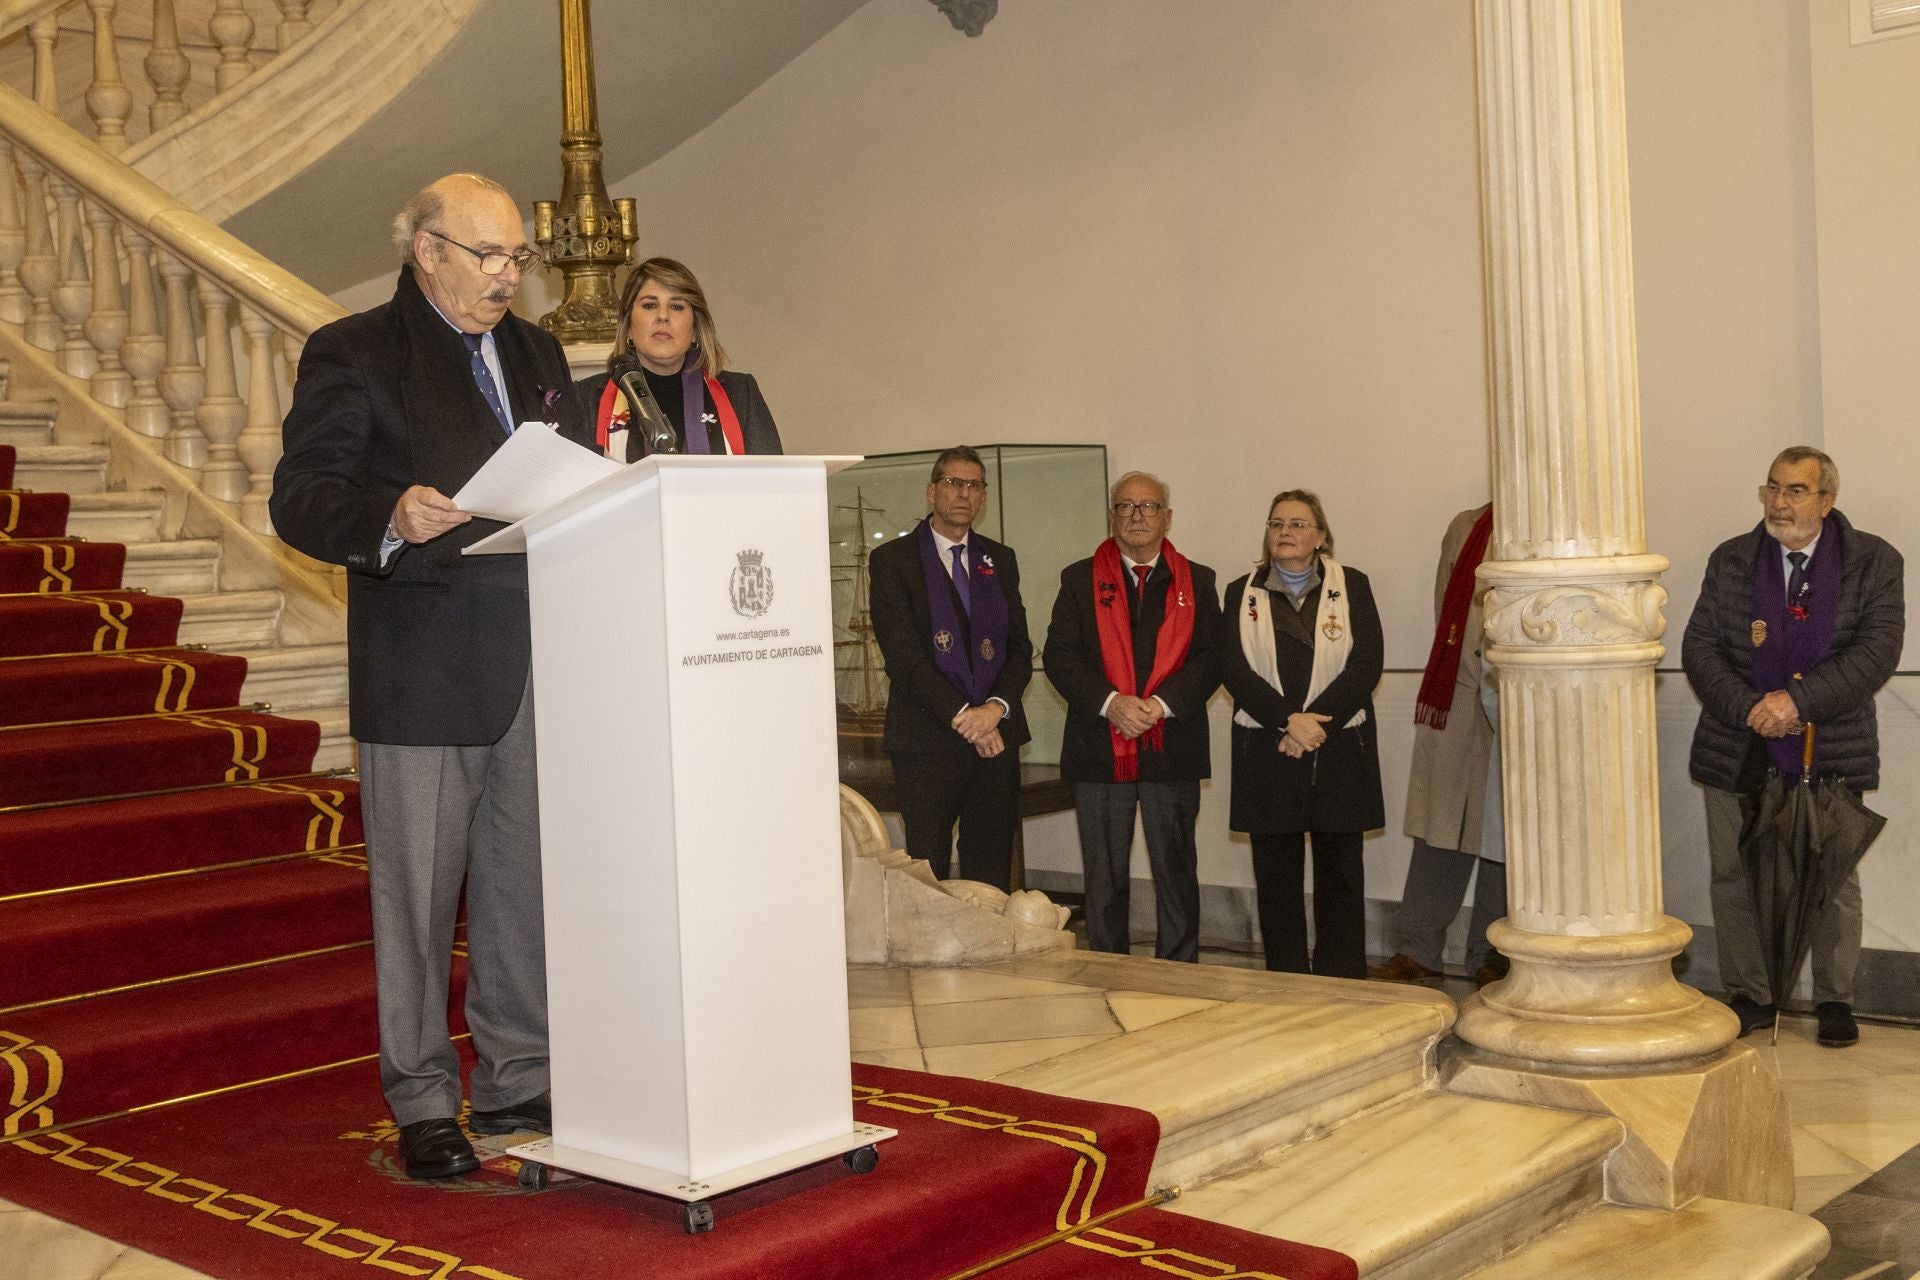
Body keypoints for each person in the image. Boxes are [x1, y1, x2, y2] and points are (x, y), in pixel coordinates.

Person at [270, 173, 587, 1179]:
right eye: (487, 257)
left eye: (517, 259)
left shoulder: (538, 353)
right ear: (428, 251)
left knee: (521, 888)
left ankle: (517, 1072)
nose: (507, 278)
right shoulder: (356, 348)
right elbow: (301, 497)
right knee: (415, 899)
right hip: (423, 664)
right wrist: (388, 519)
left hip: (533, 656)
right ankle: (420, 1095)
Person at [1682, 446, 1903, 1049]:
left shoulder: (1874, 562)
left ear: (1827, 500)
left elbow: (1875, 654)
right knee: (1734, 873)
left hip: (1831, 744)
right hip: (1739, 743)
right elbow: (1701, 649)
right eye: (1773, 488)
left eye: (1796, 491)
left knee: (1831, 876)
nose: (1780, 502)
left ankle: (1835, 997)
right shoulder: (1731, 560)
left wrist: (1796, 703)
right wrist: (1753, 708)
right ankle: (1750, 992)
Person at [1043, 472, 1221, 961]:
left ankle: (1179, 974)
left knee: (1176, 871)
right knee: (1103, 876)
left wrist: (1159, 705)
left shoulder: (1198, 581)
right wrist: (1111, 703)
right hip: (1100, 749)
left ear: (1167, 516)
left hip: (1172, 748)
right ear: (1111, 515)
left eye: (1148, 506)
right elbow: (1059, 655)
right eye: (1126, 506)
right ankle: (1107, 970)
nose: (1137, 516)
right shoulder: (1078, 578)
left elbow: (1211, 657)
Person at [1221, 490, 1384, 978]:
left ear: (1320, 536)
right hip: (1268, 747)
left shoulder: (1351, 585)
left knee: (1340, 875)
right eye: (1276, 524)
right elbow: (1234, 668)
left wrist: (1312, 722)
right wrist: (1287, 721)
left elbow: (1365, 663)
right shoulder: (1240, 592)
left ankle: (1342, 977)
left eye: (1297, 524)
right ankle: (1287, 979)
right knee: (1276, 878)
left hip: (1337, 747)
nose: (1285, 533)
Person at [866, 446, 1032, 889]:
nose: (963, 494)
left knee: (991, 863)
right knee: (928, 865)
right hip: (927, 738)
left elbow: (1020, 648)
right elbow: (903, 658)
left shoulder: (1000, 559)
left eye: (974, 485)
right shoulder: (892, 561)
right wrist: (967, 718)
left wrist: (994, 710)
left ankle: (993, 957)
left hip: (995, 736)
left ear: (983, 497)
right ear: (931, 492)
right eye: (953, 483)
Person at [1370, 504, 1510, 988]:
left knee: (1504, 832)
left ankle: (1494, 952)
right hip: (1460, 694)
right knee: (1440, 827)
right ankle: (1418, 949)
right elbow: (1444, 610)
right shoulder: (1467, 527)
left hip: (1522, 701)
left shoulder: (1555, 525)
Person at [575, 257, 782, 460]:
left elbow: (775, 484)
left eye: (677, 306)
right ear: (628, 327)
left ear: (695, 330)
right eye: (649, 305)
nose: (663, 316)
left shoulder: (741, 394)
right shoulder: (586, 399)